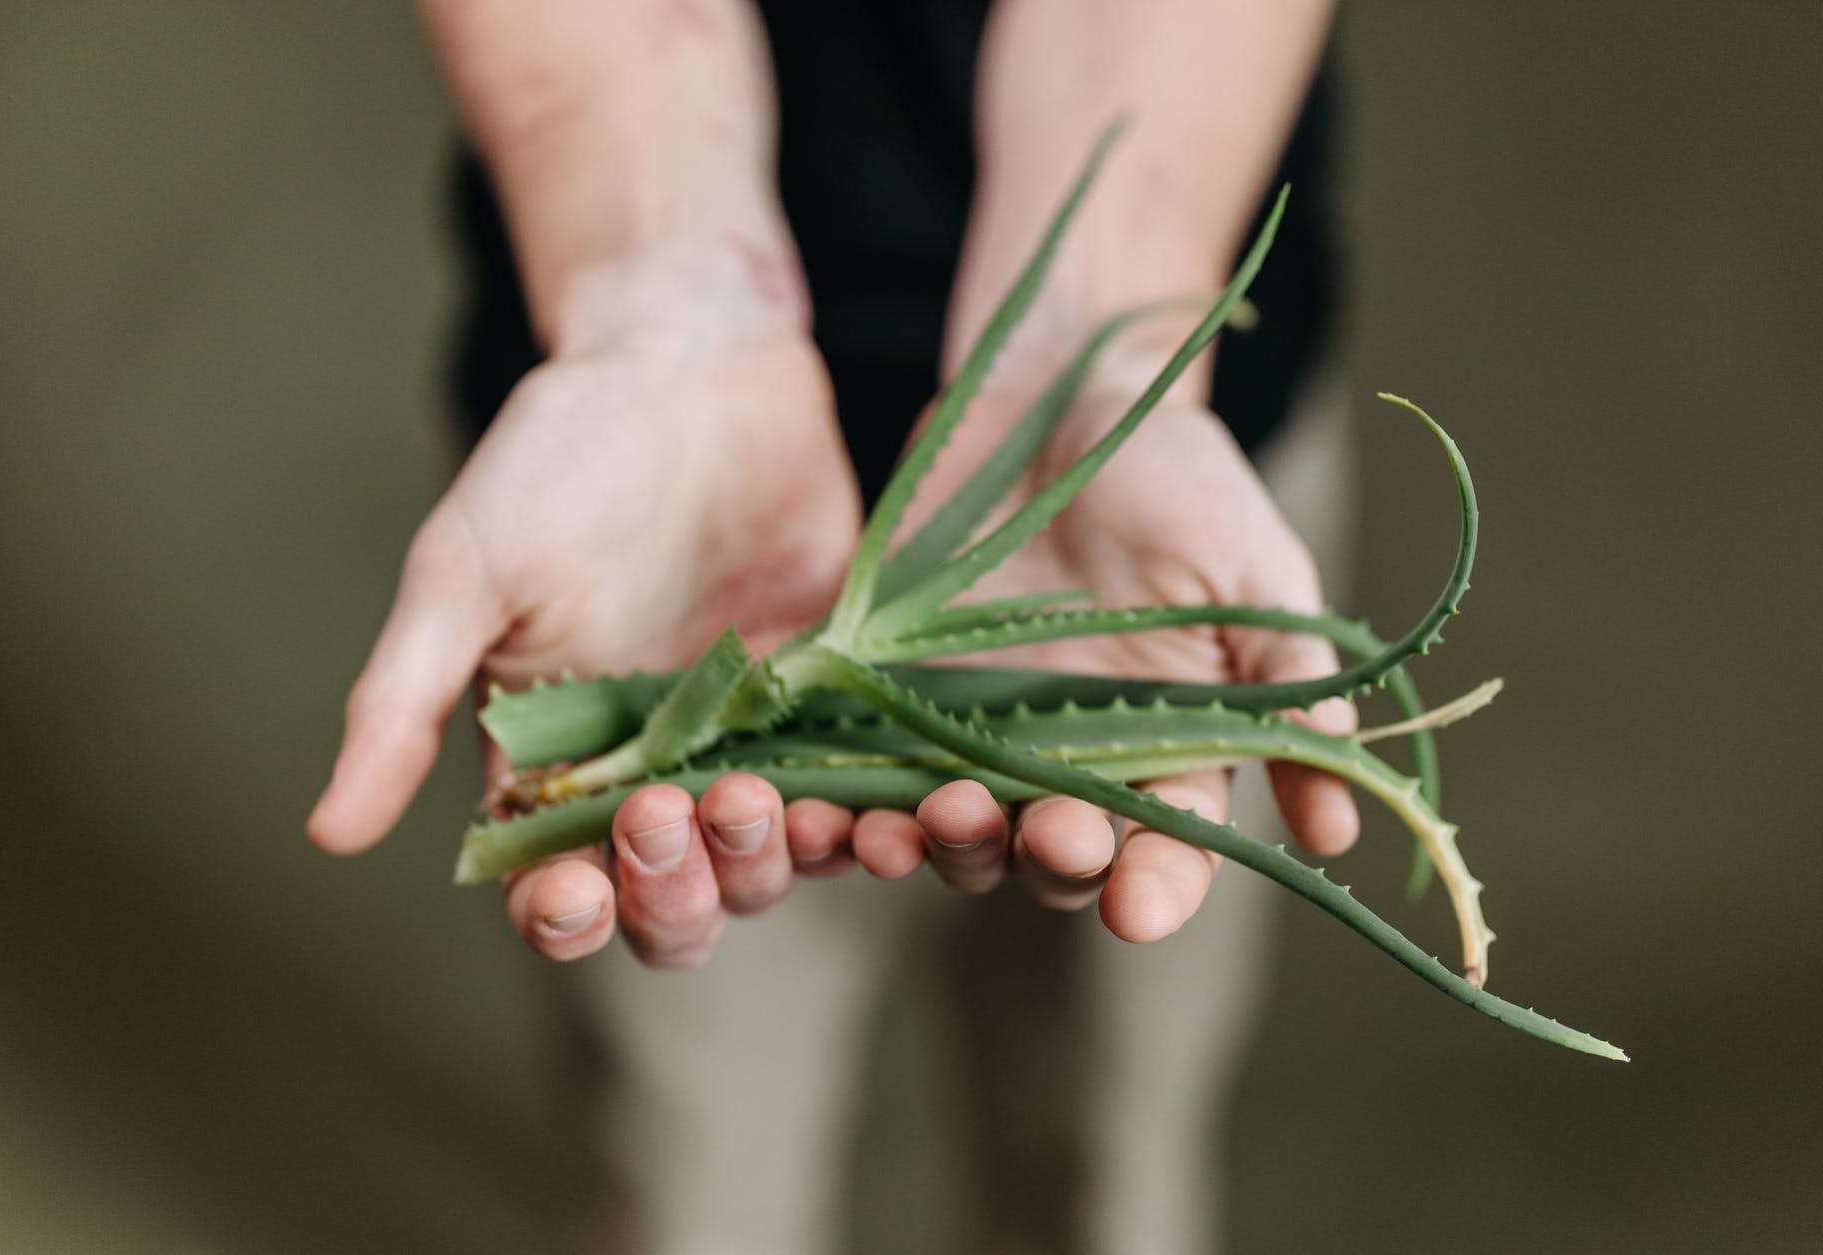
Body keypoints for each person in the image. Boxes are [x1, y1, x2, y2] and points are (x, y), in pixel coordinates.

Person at [309, 2, 1354, 1250]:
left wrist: (1105, 330)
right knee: (681, 1177)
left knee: (1101, 1166)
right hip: (639, 501)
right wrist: (655, 295)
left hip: (1132, 500)